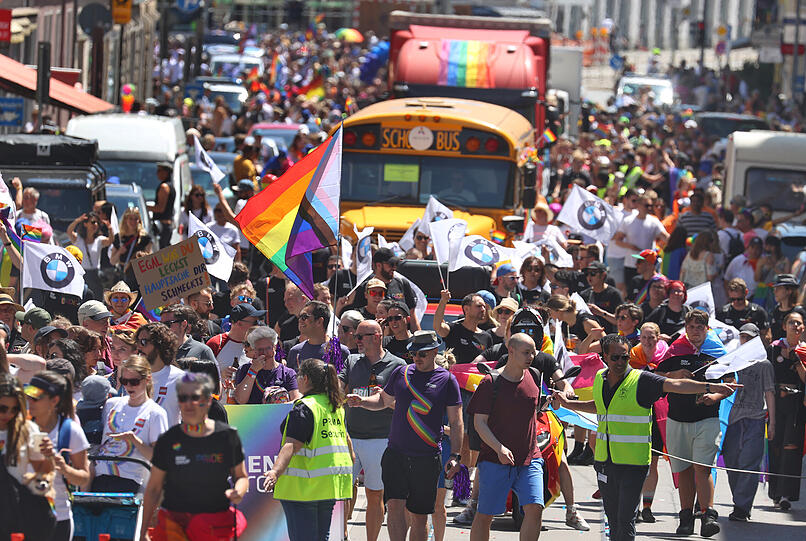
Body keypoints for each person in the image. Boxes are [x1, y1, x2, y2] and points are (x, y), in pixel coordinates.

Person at [552, 334, 739, 541]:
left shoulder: (642, 380)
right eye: (615, 358)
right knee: (612, 520)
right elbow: (600, 406)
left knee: (625, 519)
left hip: (634, 464)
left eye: (625, 357)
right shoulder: (600, 378)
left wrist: (710, 387)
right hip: (605, 463)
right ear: (604, 356)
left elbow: (675, 385)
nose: (621, 362)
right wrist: (568, 404)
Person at [346, 331, 464, 541]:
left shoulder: (447, 380)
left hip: (426, 457)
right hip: (395, 454)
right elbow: (383, 401)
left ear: (435, 351)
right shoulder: (401, 373)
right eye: (414, 353)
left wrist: (456, 455)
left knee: (419, 516)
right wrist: (361, 401)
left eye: (422, 354)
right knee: (394, 507)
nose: (417, 358)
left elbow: (456, 422)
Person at [141, 372, 248, 541]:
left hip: (212, 524)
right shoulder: (168, 440)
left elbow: (241, 477)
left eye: (195, 397)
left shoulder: (227, 436)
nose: (188, 404)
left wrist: (238, 491)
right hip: (175, 524)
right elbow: (154, 488)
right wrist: (143, 530)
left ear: (207, 401)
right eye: (183, 398)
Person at [656, 310, 734, 537]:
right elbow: (657, 378)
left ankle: (708, 515)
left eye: (700, 327)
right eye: (691, 327)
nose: (696, 332)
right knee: (684, 469)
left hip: (707, 418)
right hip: (677, 418)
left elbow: (730, 381)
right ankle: (685, 518)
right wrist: (675, 373)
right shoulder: (675, 350)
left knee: (703, 467)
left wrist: (716, 397)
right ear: (686, 328)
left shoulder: (717, 351)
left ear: (707, 329)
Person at [468, 333, 549, 541]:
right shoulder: (490, 382)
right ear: (510, 351)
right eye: (526, 352)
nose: (531, 356)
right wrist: (499, 448)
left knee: (535, 508)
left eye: (533, 352)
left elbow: (531, 410)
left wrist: (549, 404)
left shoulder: (534, 375)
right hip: (495, 460)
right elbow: (479, 423)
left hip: (530, 458)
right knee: (485, 515)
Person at [264, 358, 353, 541]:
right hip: (328, 487)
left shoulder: (305, 407)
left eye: (298, 375)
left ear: (305, 379)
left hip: (302, 489)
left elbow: (291, 445)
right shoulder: (334, 406)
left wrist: (275, 472)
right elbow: (347, 443)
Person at [339, 319, 407, 541]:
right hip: (349, 437)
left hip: (381, 439)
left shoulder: (397, 365)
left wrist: (385, 400)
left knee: (375, 494)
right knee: (340, 493)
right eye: (355, 336)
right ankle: (343, 535)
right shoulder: (351, 360)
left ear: (377, 336)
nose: (355, 340)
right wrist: (339, 393)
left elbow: (403, 406)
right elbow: (338, 389)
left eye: (361, 336)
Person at [25, 371, 91, 541]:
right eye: (29, 396)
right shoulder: (20, 429)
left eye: (36, 397)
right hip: (23, 516)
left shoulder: (70, 431)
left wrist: (62, 466)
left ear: (54, 401)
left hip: (58, 518)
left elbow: (83, 478)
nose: (30, 402)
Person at [722, 323, 775, 522]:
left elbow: (769, 393)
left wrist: (773, 422)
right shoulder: (733, 360)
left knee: (750, 463)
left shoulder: (764, 364)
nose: (746, 340)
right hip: (733, 418)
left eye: (750, 337)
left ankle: (742, 507)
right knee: (732, 461)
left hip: (755, 418)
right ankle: (739, 499)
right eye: (743, 337)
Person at [93, 355, 169, 493]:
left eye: (134, 381)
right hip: (100, 476)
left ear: (147, 379)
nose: (128, 386)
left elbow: (159, 458)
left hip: (131, 481)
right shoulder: (111, 404)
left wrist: (134, 440)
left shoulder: (155, 413)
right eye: (124, 381)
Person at [767, 310, 806, 510]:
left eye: (799, 323)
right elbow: (768, 380)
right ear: (784, 326)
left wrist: (798, 361)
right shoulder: (774, 349)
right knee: (775, 447)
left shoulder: (805, 351)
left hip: (797, 407)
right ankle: (775, 492)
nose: (796, 327)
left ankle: (787, 495)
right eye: (792, 322)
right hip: (776, 405)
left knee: (792, 449)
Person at [0, 372, 50, 483]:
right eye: (2, 409)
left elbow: (42, 470)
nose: (8, 414)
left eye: (14, 409)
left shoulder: (30, 429)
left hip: (14, 497)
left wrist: (48, 455)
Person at [234, 326, 300, 404]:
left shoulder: (288, 373)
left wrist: (277, 407)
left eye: (268, 348)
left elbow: (296, 400)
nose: (264, 352)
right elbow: (240, 400)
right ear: (254, 350)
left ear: (274, 347)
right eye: (260, 349)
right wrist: (253, 371)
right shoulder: (244, 370)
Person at [613, 193, 669, 284]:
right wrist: (631, 246)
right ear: (638, 205)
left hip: (649, 266)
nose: (649, 208)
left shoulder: (654, 221)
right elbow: (618, 241)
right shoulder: (628, 221)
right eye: (647, 205)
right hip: (631, 264)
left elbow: (665, 237)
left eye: (651, 206)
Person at [135, 322, 184, 425]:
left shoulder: (180, 379)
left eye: (143, 342)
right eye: (137, 342)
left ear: (159, 344)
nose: (139, 347)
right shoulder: (130, 377)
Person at [286, 300, 349, 372]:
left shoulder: (340, 351)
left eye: (304, 317)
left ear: (319, 321)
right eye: (299, 317)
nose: (300, 320)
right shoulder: (295, 352)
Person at [207, 302, 265, 376]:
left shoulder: (259, 344)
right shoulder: (216, 343)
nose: (258, 325)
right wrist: (220, 375)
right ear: (239, 323)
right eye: (255, 322)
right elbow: (203, 376)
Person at [67, 211, 112, 298]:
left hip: (95, 275)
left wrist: (110, 228)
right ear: (85, 224)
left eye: (97, 223)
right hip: (82, 274)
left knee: (97, 298)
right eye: (92, 222)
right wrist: (77, 221)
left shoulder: (99, 240)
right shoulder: (78, 239)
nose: (95, 224)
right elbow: (69, 231)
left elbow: (110, 240)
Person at [581, 261, 624, 334]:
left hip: (609, 336)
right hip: (590, 335)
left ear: (603, 275)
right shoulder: (584, 294)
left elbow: (620, 321)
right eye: (587, 274)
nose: (589, 277)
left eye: (593, 274)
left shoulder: (614, 294)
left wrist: (600, 312)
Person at [148, 162, 177, 249]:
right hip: (166, 226)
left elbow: (160, 208)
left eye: (159, 171)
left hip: (162, 226)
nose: (157, 173)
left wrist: (145, 208)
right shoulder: (170, 185)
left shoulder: (164, 187)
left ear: (166, 172)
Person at [769, 274, 799, 340]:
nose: (775, 291)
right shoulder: (775, 311)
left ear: (789, 291)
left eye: (779, 288)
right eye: (774, 288)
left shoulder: (799, 313)